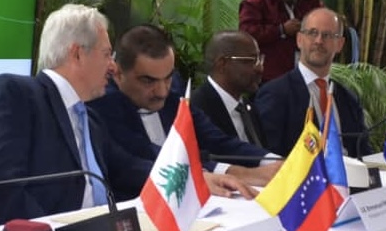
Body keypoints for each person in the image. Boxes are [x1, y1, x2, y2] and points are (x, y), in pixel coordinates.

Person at [0, 4, 255, 226]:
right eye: (107, 54)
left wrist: (194, 177)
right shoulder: (17, 94)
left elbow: (130, 165)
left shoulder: (89, 118)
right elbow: (3, 189)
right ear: (77, 54)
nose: (112, 66)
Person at [89, 25, 280, 187]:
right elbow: (145, 159)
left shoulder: (174, 94)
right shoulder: (102, 105)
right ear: (118, 74)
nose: (162, 91)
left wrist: (273, 161)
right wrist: (235, 173)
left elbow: (216, 140)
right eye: (148, 81)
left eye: (168, 78)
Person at [255, 8, 371, 159]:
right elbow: (270, 156)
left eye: (327, 35)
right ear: (299, 39)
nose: (319, 41)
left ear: (340, 44)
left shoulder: (348, 98)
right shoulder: (275, 94)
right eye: (312, 33)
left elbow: (364, 152)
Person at [240, 0, 325, 83]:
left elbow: (327, 26)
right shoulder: (256, 3)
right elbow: (246, 35)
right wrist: (281, 30)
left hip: (306, 77)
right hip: (269, 79)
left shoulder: (311, 2)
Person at [190, 30, 267, 148]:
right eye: (251, 60)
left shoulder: (248, 107)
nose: (260, 68)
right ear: (222, 64)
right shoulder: (196, 109)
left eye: (259, 59)